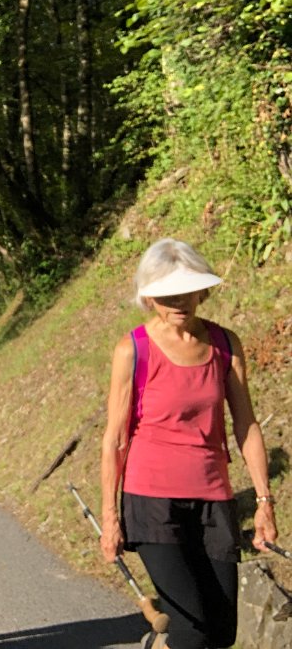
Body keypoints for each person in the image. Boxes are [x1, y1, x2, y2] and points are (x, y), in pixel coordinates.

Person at [99, 238, 279, 649]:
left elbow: (246, 425)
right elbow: (115, 439)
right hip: (152, 502)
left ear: (202, 290)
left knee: (221, 633)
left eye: (186, 291)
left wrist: (264, 501)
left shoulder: (225, 345)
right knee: (191, 630)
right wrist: (110, 518)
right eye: (167, 295)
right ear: (149, 297)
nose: (179, 302)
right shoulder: (133, 350)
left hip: (214, 497)